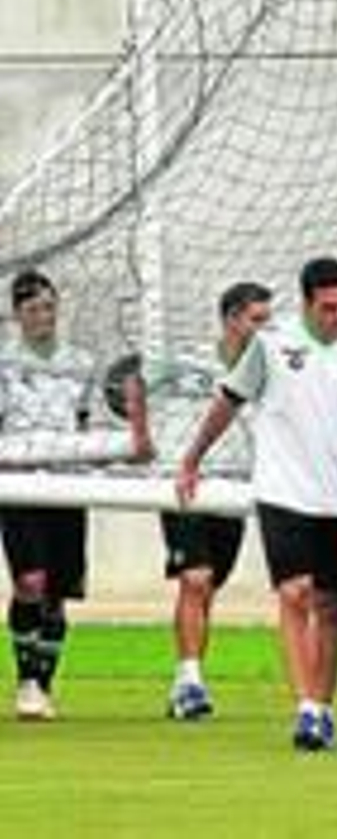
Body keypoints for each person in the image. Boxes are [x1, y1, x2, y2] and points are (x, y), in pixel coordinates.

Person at [177, 257, 337, 751]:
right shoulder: (271, 347)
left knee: (331, 606)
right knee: (296, 595)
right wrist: (192, 459)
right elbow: (228, 401)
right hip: (283, 493)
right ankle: (306, 710)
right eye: (329, 307)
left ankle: (325, 705)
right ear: (307, 303)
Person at [1, 269, 152, 720]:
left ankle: (44, 685)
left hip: (66, 481)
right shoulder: (5, 362)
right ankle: (25, 680)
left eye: (49, 307)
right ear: (17, 315)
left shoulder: (80, 363)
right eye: (32, 309)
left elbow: (83, 424)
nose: (43, 316)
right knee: (31, 581)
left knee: (58, 591)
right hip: (18, 482)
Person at [161, 281, 271, 720]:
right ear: (231, 319)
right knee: (196, 578)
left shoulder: (271, 370)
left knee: (208, 588)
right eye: (256, 319)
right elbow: (138, 389)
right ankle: (190, 680)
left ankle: (185, 681)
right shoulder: (190, 365)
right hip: (188, 487)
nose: (264, 329)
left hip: (235, 491)